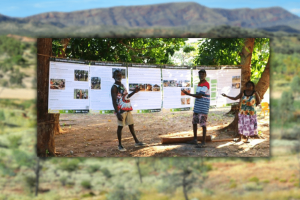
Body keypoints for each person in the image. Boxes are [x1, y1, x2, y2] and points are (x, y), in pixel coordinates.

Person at [111, 70, 146, 151]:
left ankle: (136, 142)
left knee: (131, 125)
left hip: (127, 108)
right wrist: (117, 113)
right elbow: (114, 101)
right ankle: (119, 145)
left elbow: (126, 97)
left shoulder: (122, 85)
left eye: (120, 75)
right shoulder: (114, 87)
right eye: (117, 75)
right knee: (120, 127)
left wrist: (134, 92)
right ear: (114, 77)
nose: (119, 77)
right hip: (121, 110)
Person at [182, 69, 210, 148]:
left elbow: (200, 95)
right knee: (194, 122)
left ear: (205, 75)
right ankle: (195, 139)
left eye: (202, 74)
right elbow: (198, 95)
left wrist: (188, 94)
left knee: (203, 124)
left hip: (203, 106)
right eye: (200, 74)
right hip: (198, 106)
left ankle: (203, 142)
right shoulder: (199, 84)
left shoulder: (206, 84)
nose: (201, 75)